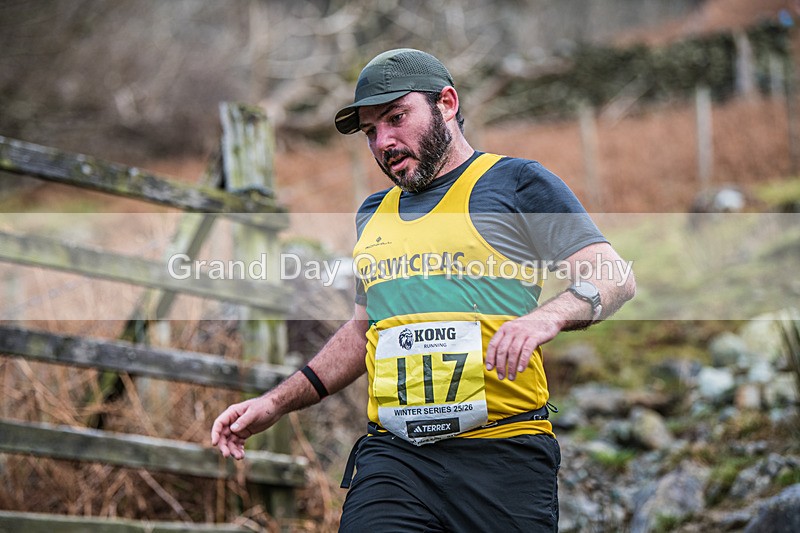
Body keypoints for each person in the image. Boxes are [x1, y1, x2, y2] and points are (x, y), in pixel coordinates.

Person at [212, 48, 636, 532]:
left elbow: (615, 276)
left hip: (502, 458)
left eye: (396, 118)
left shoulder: (517, 184)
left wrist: (548, 317)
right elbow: (362, 333)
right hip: (395, 461)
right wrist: (274, 403)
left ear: (447, 103)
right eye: (371, 132)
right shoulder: (372, 213)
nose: (383, 142)